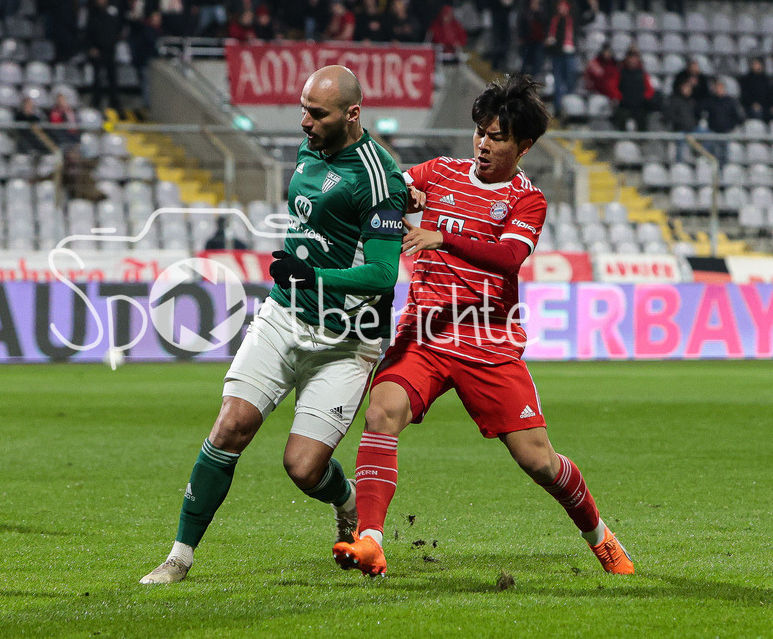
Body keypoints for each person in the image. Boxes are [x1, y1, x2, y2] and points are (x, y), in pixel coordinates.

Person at [332, 74, 635, 578]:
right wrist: (382, 201)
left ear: (524, 146)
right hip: (425, 334)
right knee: (381, 414)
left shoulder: (525, 199)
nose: (484, 144)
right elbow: (387, 195)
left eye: (497, 137)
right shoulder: (439, 173)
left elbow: (510, 256)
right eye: (480, 132)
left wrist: (442, 234)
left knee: (540, 462)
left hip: (488, 339)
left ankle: (599, 537)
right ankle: (370, 541)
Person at [140, 65, 408, 584]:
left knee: (303, 468)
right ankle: (179, 555)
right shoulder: (312, 148)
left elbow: (381, 273)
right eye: (302, 107)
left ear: (352, 115)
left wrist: (313, 273)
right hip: (283, 315)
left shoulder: (377, 178)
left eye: (317, 112)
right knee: (231, 425)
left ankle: (347, 497)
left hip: (347, 340)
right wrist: (301, 279)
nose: (304, 121)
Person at [612, 48, 656, 131]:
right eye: (631, 58)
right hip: (624, 106)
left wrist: (643, 98)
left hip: (639, 106)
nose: (632, 60)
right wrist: (621, 98)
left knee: (643, 119)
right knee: (621, 116)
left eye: (635, 58)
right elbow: (614, 88)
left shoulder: (642, 74)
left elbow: (650, 90)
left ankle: (642, 141)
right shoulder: (620, 73)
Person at [738, 58, 771, 122]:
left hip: (765, 105)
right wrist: (753, 103)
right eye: (754, 64)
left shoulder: (766, 79)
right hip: (751, 105)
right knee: (757, 112)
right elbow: (744, 95)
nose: (756, 66)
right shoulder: (746, 79)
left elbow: (769, 94)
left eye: (757, 64)